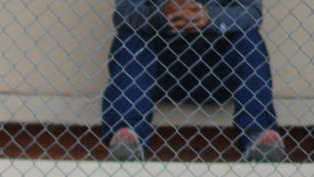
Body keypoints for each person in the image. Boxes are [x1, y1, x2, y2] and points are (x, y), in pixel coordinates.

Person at [102, 0, 284, 162]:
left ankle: (258, 138)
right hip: (157, 70)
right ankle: (126, 139)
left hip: (216, 70)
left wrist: (210, 17)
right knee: (130, 40)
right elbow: (123, 13)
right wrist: (161, 15)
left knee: (249, 40)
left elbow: (253, 13)